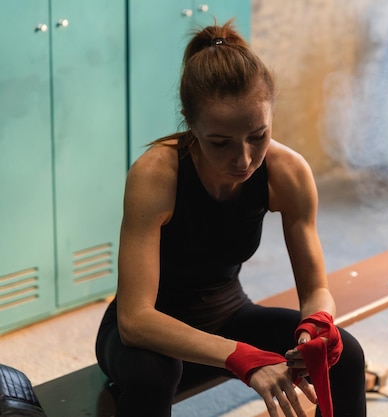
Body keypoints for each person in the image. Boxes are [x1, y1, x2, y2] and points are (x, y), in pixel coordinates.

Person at [95, 20, 367, 417]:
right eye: (220, 142)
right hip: (146, 337)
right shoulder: (156, 174)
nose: (243, 160)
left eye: (258, 136)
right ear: (190, 121)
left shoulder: (287, 172)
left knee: (347, 354)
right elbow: (136, 320)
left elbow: (315, 290)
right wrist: (241, 357)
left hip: (229, 314)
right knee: (154, 374)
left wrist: (318, 324)